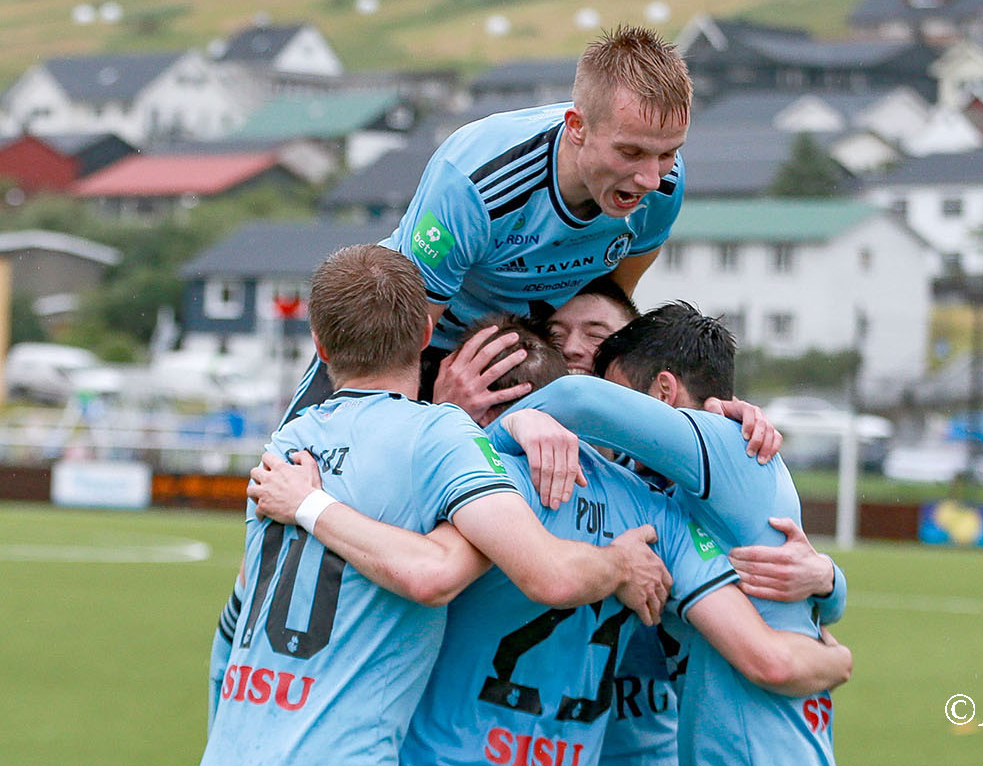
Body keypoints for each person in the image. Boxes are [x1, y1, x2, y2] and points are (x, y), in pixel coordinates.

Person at [247, 315, 852, 766]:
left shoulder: (480, 493)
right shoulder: (661, 516)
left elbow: (431, 568)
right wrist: (834, 617)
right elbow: (758, 644)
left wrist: (314, 499)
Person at [201, 246, 670, 766]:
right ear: (427, 333)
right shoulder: (439, 437)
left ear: (320, 345)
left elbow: (235, 620)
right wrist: (620, 563)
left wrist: (514, 421)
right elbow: (527, 575)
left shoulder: (288, 443)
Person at [486, 303, 847, 766]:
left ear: (662, 392)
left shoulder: (725, 442)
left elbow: (578, 398)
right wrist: (831, 583)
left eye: (620, 394)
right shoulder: (676, 493)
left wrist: (496, 432)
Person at [284, 25, 691, 421]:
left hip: (520, 351)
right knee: (304, 460)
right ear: (577, 127)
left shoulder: (664, 186)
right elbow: (405, 338)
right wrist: (440, 414)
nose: (650, 179)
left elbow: (609, 302)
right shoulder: (474, 184)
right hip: (403, 335)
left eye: (667, 154)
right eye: (630, 153)